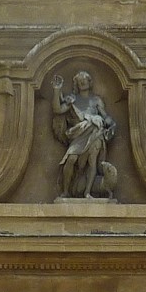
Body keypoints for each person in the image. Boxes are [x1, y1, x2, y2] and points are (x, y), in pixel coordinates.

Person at [50, 70, 118, 198]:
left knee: (92, 161)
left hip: (95, 132)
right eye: (79, 80)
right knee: (71, 159)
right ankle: (66, 191)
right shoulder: (73, 100)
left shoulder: (96, 100)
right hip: (79, 134)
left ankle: (87, 191)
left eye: (85, 79)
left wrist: (111, 123)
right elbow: (57, 109)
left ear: (89, 82)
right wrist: (56, 90)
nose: (82, 82)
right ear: (76, 84)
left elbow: (104, 116)